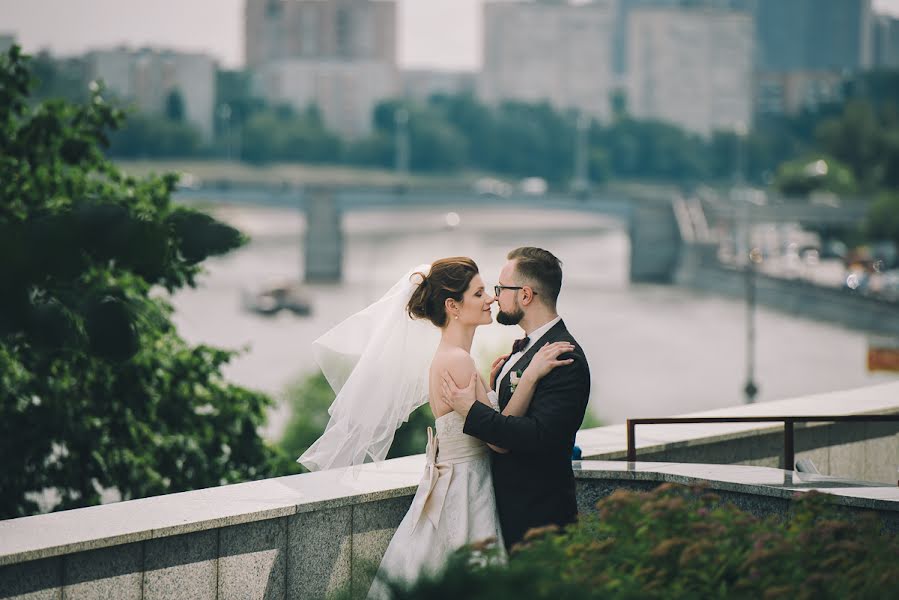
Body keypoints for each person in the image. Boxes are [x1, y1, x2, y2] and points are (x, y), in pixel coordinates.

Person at [297, 257, 574, 594]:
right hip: (467, 484)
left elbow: (491, 421)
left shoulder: (453, 356)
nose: (490, 299)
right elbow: (500, 438)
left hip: (461, 476)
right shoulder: (457, 360)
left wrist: (492, 388)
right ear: (452, 306)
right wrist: (529, 377)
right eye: (479, 293)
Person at [441, 247, 591, 551]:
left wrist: (471, 410)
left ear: (525, 295)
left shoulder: (564, 358)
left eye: (500, 289)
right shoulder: (526, 350)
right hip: (505, 512)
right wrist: (494, 385)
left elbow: (537, 435)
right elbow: (513, 412)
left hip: (538, 518)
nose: (495, 297)